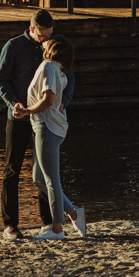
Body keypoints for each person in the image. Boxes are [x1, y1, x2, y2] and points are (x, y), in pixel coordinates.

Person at [0, 9, 74, 240]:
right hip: (19, 116)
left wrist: (63, 102)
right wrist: (13, 103)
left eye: (50, 34)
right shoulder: (13, 47)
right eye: (42, 35)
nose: (46, 39)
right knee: (13, 169)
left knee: (44, 171)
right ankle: (10, 224)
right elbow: (1, 80)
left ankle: (48, 221)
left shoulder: (53, 50)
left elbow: (69, 76)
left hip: (45, 119)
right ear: (31, 29)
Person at [15, 34, 85, 240]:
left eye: (48, 41)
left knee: (51, 180)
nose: (44, 41)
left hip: (47, 127)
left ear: (53, 48)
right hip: (45, 127)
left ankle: (57, 229)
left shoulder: (49, 67)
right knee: (39, 178)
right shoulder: (57, 69)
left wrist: (27, 111)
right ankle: (73, 213)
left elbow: (47, 99)